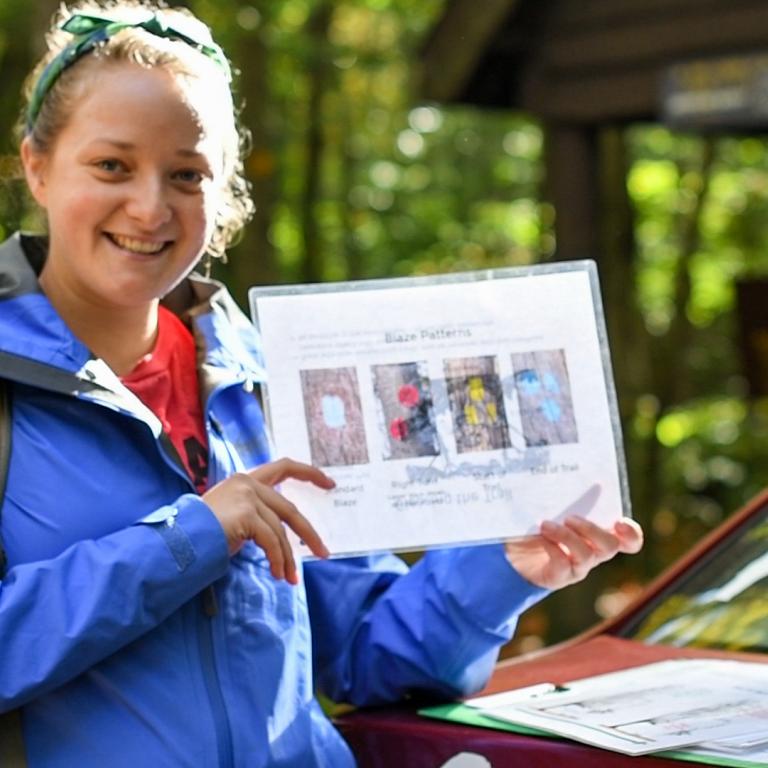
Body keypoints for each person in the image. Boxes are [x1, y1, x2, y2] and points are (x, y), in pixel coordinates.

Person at [0, 1, 643, 766]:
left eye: (187, 175)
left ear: (224, 194)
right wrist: (191, 538)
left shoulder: (268, 388)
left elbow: (369, 657)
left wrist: (504, 568)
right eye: (112, 166)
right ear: (36, 165)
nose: (149, 206)